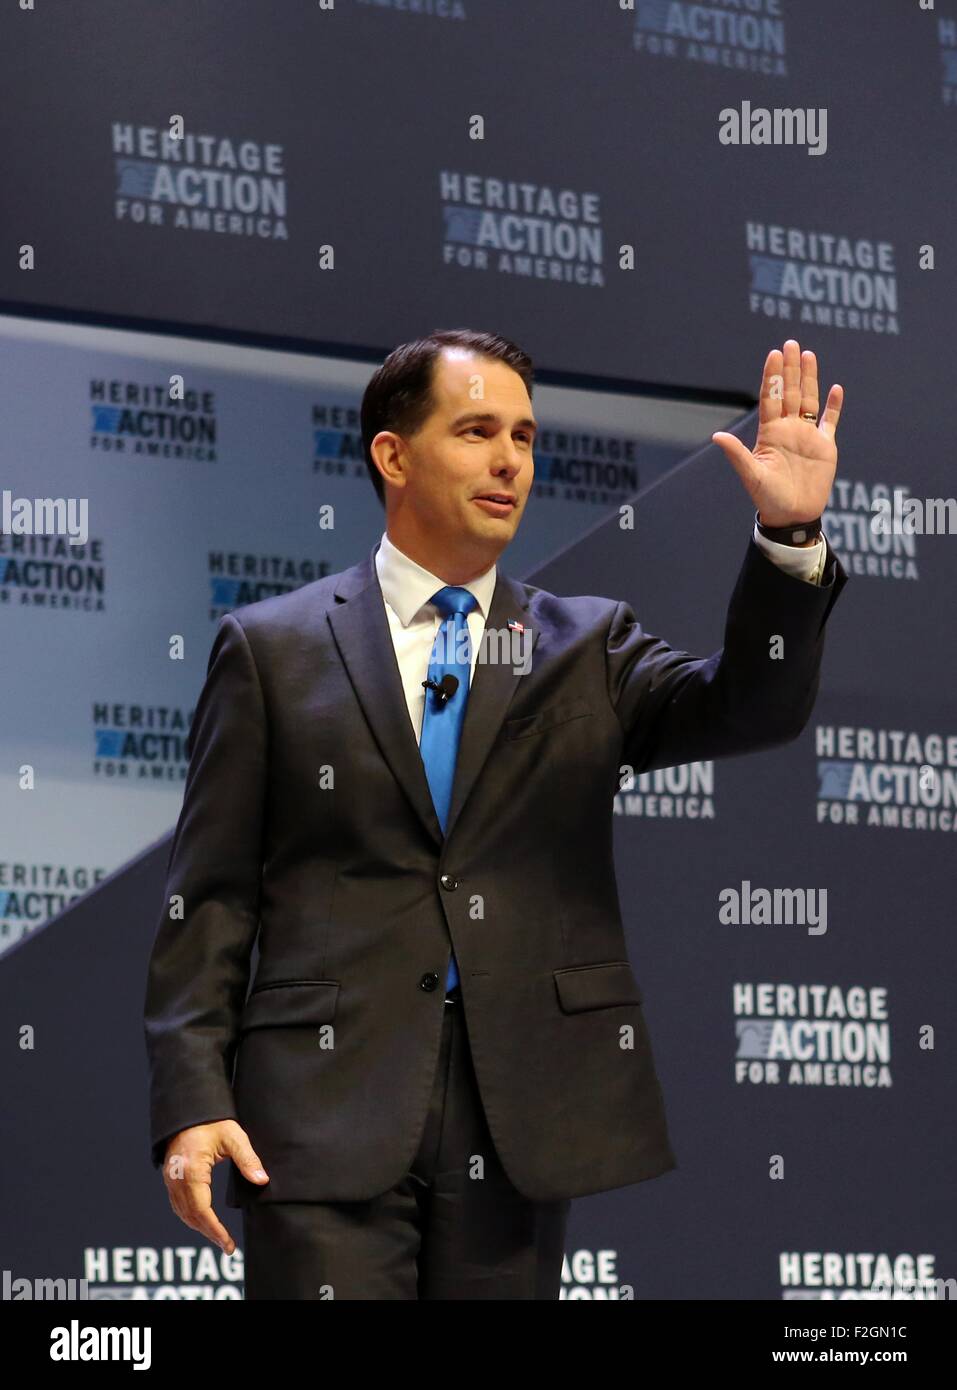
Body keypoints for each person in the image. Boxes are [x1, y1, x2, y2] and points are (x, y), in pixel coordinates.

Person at [144, 329, 847, 1299]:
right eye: (476, 430)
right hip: (320, 1110)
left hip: (519, 1114)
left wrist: (790, 541)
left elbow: (754, 707)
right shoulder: (272, 649)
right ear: (393, 455)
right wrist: (192, 1099)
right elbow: (210, 897)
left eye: (523, 434)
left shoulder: (585, 645)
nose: (510, 458)